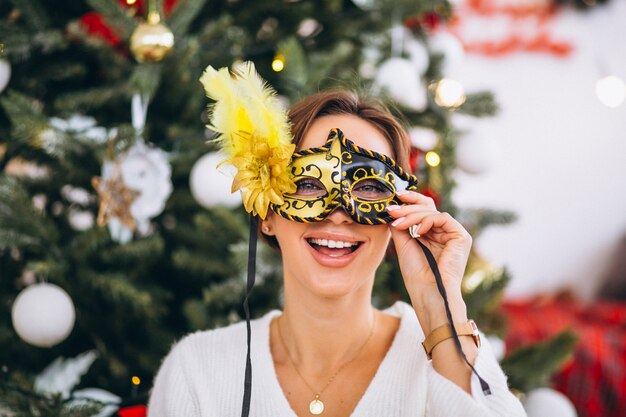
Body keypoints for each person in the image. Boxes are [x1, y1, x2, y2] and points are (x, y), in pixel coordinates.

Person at [147, 87, 527, 416]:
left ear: (403, 210)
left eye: (369, 187)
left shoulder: (453, 356)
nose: (339, 213)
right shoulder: (196, 372)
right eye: (309, 184)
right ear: (266, 211)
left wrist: (440, 310)